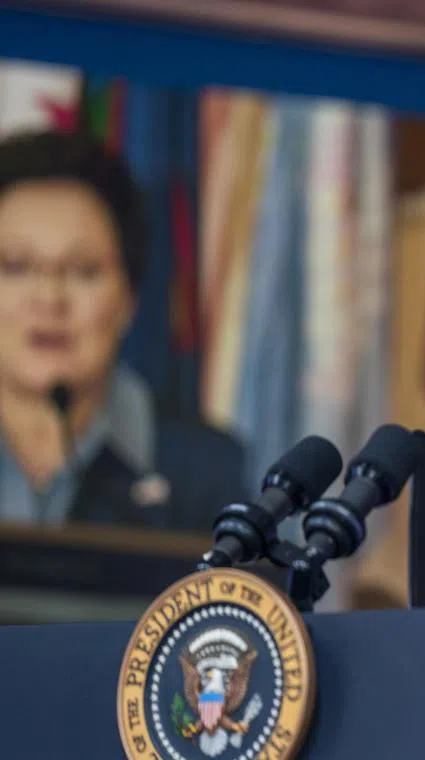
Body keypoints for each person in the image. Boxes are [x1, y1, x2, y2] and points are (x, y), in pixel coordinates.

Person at [0, 129, 248, 533]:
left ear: (128, 300)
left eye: (84, 270)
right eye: (15, 267)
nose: (49, 298)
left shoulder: (209, 473)